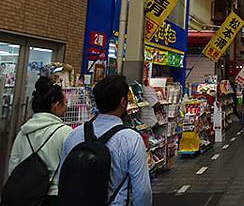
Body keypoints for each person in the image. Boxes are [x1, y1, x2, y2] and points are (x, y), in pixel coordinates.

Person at [61, 75, 151, 206]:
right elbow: (142, 191)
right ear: (123, 102)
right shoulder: (131, 139)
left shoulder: (73, 135)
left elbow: (63, 180)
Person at [6, 77, 72, 206]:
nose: (67, 106)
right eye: (65, 102)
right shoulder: (65, 132)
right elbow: (67, 170)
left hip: (22, 195)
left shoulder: (24, 131)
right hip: (51, 196)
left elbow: (13, 163)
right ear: (56, 105)